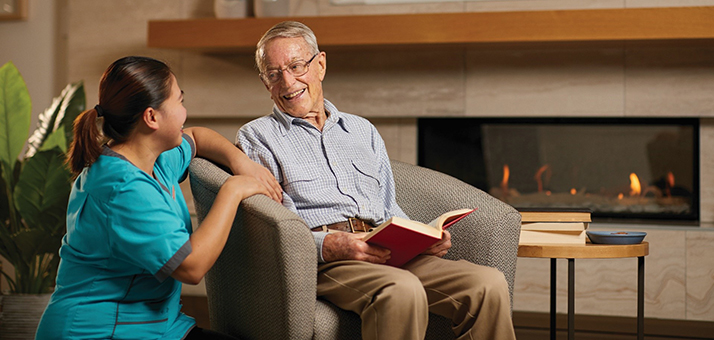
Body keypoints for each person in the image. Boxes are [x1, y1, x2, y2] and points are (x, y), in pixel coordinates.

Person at [236, 21, 517, 340]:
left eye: (297, 66)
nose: (288, 81)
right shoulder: (257, 138)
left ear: (321, 64)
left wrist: (421, 237)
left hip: (383, 246)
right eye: (274, 74)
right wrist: (331, 245)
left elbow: (387, 205)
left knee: (489, 284)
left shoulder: (362, 130)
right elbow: (272, 225)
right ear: (265, 82)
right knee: (401, 289)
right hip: (327, 260)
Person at [36, 56, 282, 340]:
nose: (184, 112)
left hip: (160, 327)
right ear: (151, 117)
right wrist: (233, 189)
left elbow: (198, 137)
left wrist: (241, 162)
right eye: (179, 101)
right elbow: (192, 267)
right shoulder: (123, 188)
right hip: (98, 332)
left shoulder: (153, 157)